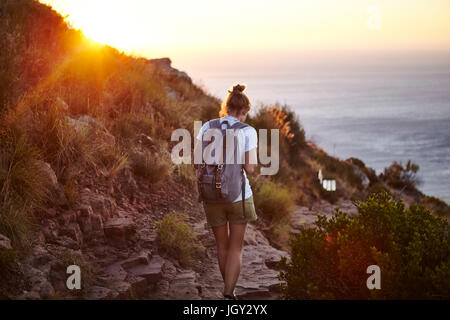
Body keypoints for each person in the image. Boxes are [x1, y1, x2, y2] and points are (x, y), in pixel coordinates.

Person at [195, 84, 258, 300]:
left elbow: (197, 160)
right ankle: (228, 293)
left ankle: (228, 291)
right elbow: (249, 168)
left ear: (226, 107)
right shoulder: (247, 131)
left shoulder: (207, 126)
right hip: (238, 196)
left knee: (221, 246)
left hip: (211, 195)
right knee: (235, 248)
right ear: (244, 111)